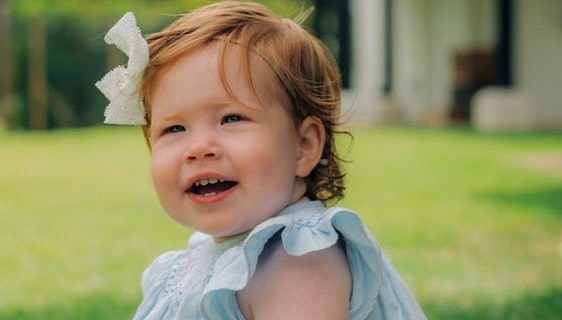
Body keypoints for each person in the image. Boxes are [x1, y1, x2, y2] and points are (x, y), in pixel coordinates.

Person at [96, 1, 426, 319]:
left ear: (303, 146)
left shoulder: (298, 260)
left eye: (231, 119)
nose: (198, 147)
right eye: (174, 128)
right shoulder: (218, 256)